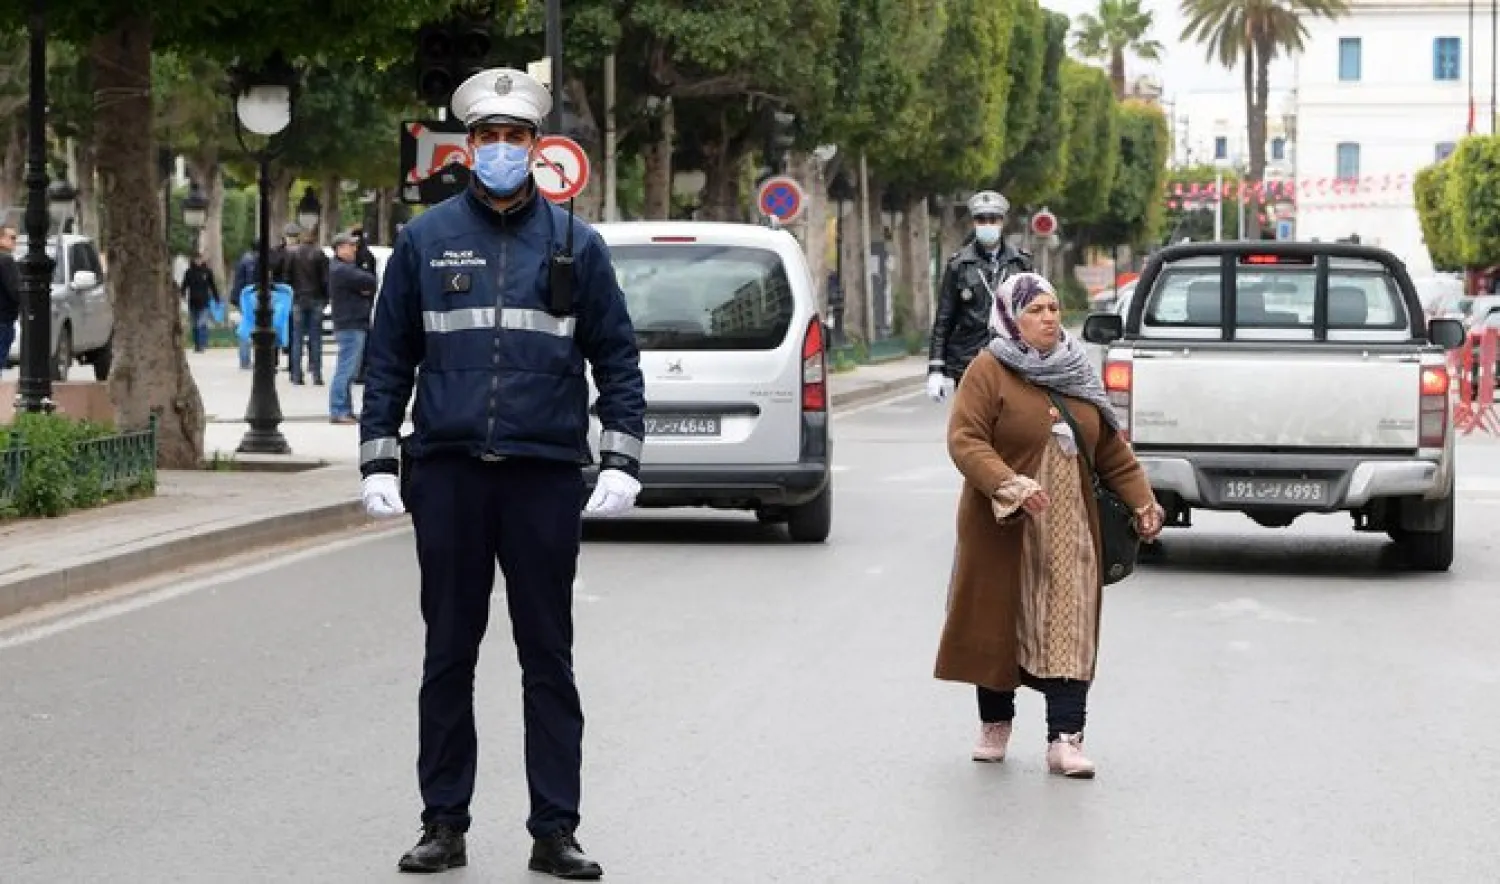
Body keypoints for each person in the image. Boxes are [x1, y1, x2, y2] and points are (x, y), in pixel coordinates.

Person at [358, 66, 646, 879]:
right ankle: (443, 823)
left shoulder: (576, 245)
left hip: (544, 475)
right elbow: (389, 360)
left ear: (536, 146)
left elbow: (617, 359)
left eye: (515, 137)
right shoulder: (423, 240)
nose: (501, 150)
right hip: (448, 474)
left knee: (546, 657)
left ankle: (555, 829)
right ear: (469, 146)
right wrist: (379, 457)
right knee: (448, 654)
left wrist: (621, 458)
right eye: (488, 137)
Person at [934, 271, 1163, 779]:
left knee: (1069, 626)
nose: (1048, 318)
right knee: (1000, 621)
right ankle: (995, 724)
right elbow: (965, 440)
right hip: (1004, 523)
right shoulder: (989, 370)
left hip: (1071, 529)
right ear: (1012, 318)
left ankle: (1065, 740)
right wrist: (1007, 483)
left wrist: (1143, 501)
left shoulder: (1077, 371)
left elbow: (1111, 452)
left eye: (1054, 308)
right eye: (1035, 310)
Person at [926, 190, 1033, 402]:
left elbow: (1035, 312)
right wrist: (935, 369)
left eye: (993, 219)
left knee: (1009, 428)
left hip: (1012, 361)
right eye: (981, 219)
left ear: (1002, 222)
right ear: (974, 222)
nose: (987, 224)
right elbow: (944, 320)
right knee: (972, 429)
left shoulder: (1021, 264)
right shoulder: (958, 265)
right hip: (968, 361)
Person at [327, 231, 377, 423]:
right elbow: (370, 281)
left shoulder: (343, 268)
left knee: (350, 369)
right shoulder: (342, 270)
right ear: (339, 248)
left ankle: (344, 409)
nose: (355, 249)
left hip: (353, 322)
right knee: (346, 369)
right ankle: (338, 409)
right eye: (351, 246)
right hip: (351, 323)